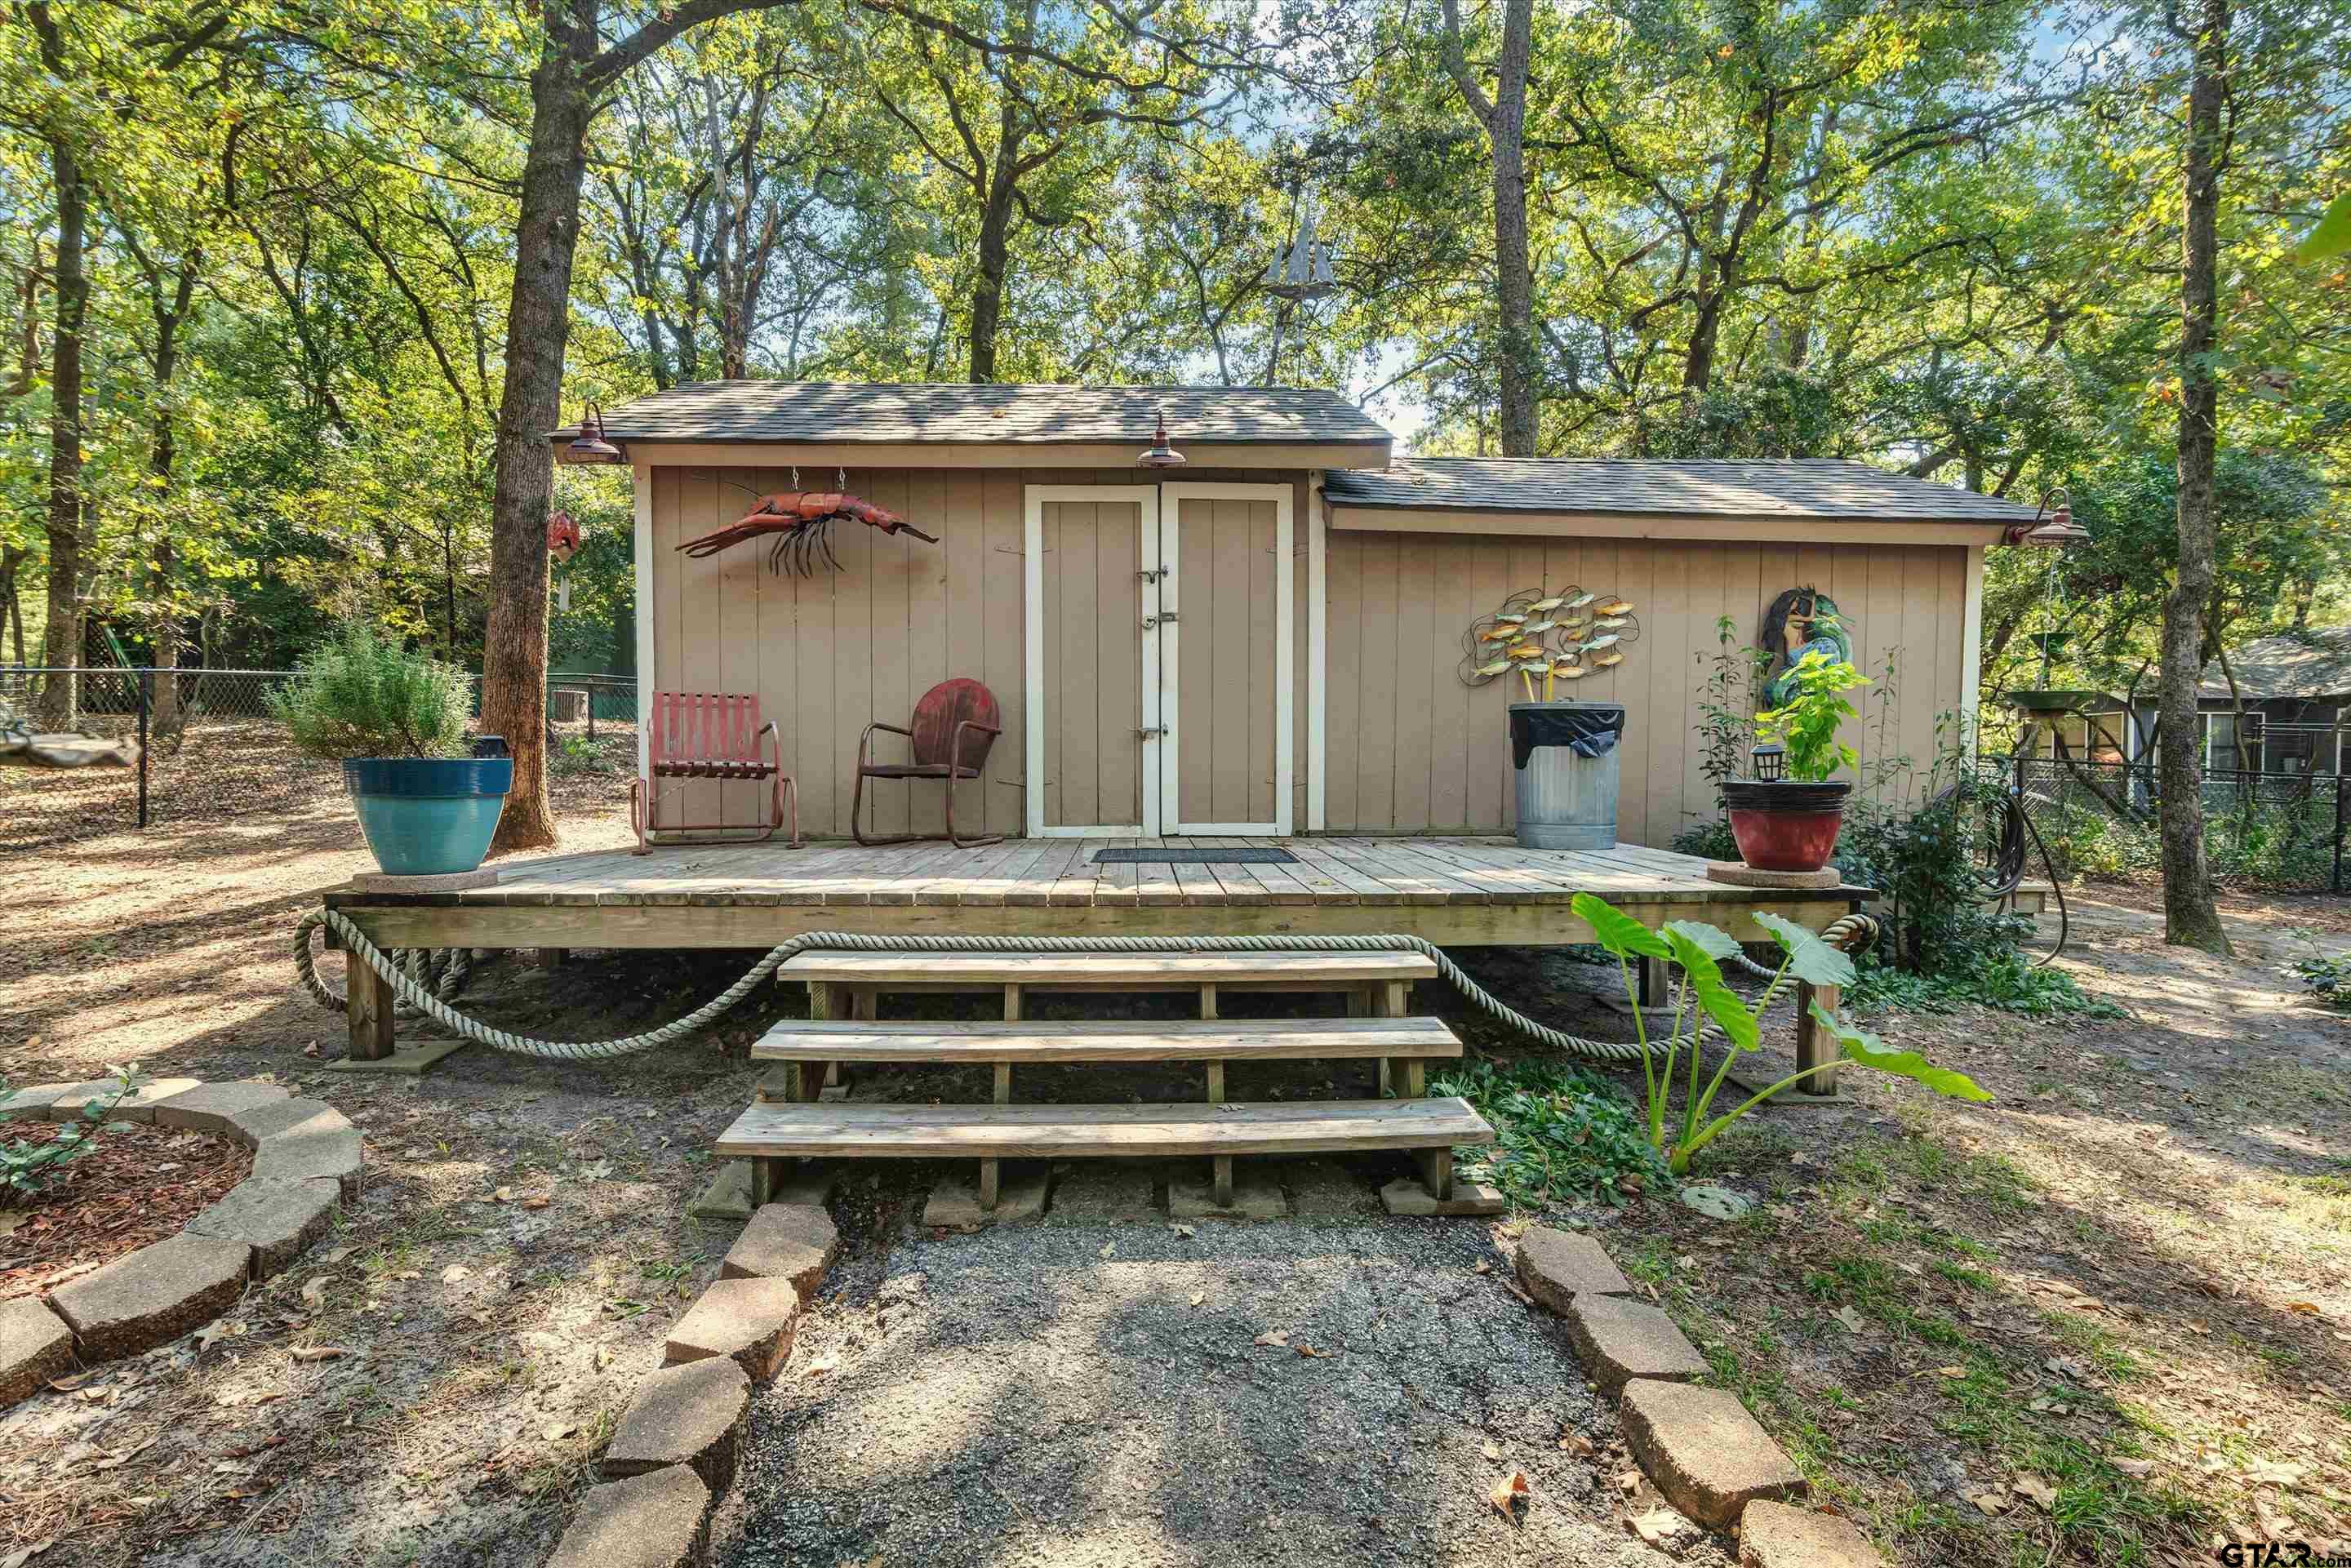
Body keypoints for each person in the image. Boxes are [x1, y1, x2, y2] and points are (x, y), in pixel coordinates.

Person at [1759, 588, 1853, 708]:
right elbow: (1810, 618)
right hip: (1797, 653)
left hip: (1799, 651)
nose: (1797, 604)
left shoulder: (1789, 618)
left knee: (1826, 645)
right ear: (1788, 603)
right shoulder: (1786, 618)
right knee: (1827, 644)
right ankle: (1830, 678)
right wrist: (1813, 601)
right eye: (1796, 602)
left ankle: (1828, 679)